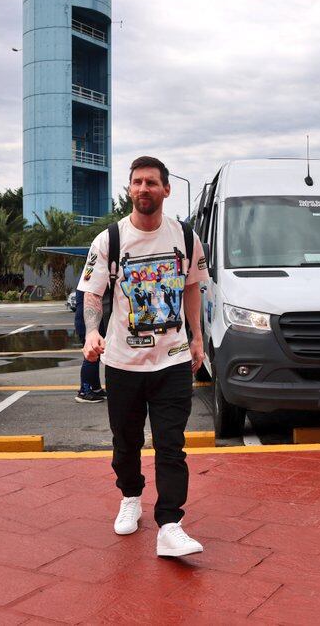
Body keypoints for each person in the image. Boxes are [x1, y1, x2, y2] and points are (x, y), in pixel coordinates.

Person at [78, 155, 208, 558]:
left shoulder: (185, 237)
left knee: (171, 443)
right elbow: (93, 294)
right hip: (122, 364)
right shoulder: (110, 240)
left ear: (166, 189)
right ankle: (130, 496)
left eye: (152, 182)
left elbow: (191, 288)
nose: (143, 189)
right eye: (137, 182)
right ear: (129, 189)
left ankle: (170, 524)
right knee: (127, 440)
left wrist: (198, 338)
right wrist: (93, 332)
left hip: (171, 360)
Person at [73, 287, 106, 403]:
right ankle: (84, 391)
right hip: (88, 325)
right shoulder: (89, 282)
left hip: (89, 324)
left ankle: (95, 388)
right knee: (91, 357)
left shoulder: (87, 280)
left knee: (95, 357)